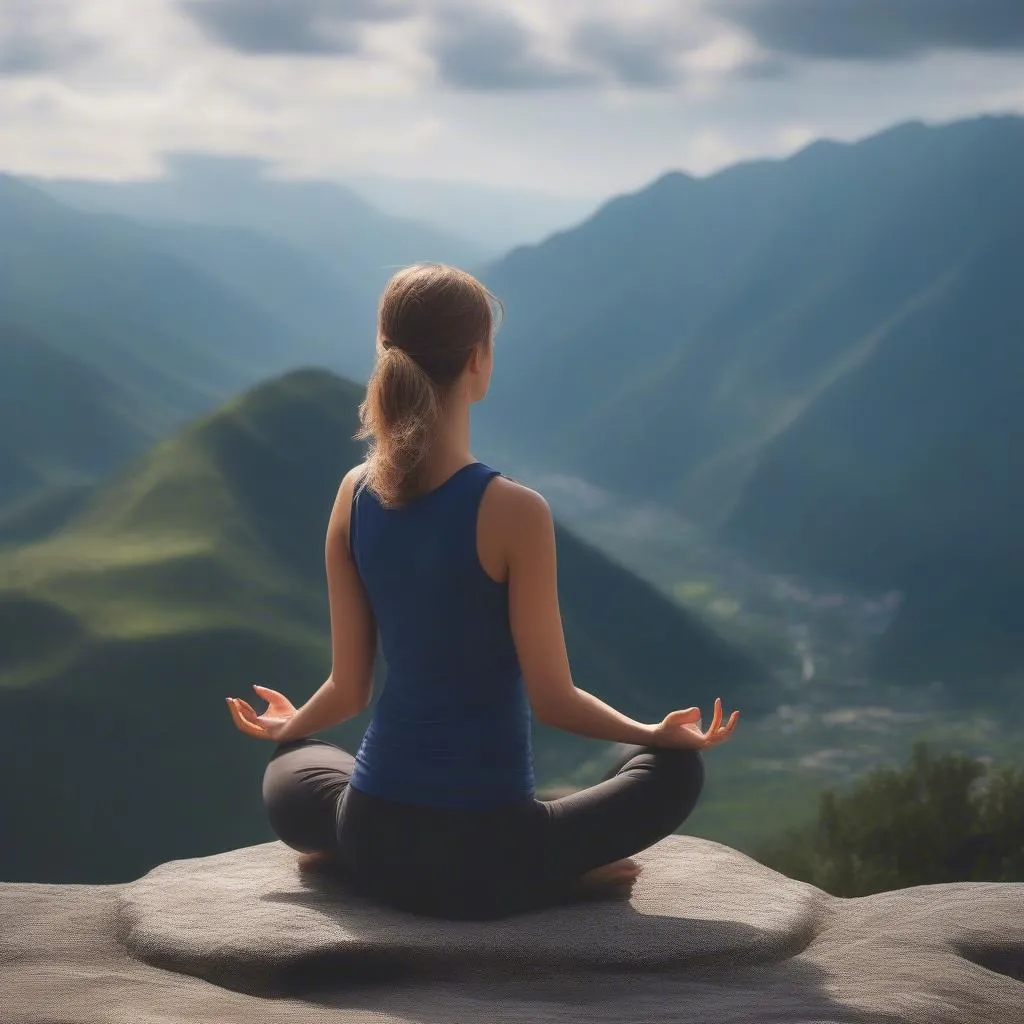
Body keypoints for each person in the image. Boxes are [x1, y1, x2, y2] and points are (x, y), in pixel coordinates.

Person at [226, 263, 740, 920]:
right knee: (672, 772)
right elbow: (555, 701)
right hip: (490, 856)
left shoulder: (353, 494)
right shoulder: (514, 511)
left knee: (294, 764)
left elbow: (348, 689)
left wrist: (289, 726)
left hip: (371, 836)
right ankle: (554, 875)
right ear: (478, 359)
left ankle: (355, 864)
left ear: (386, 354)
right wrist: (653, 732)